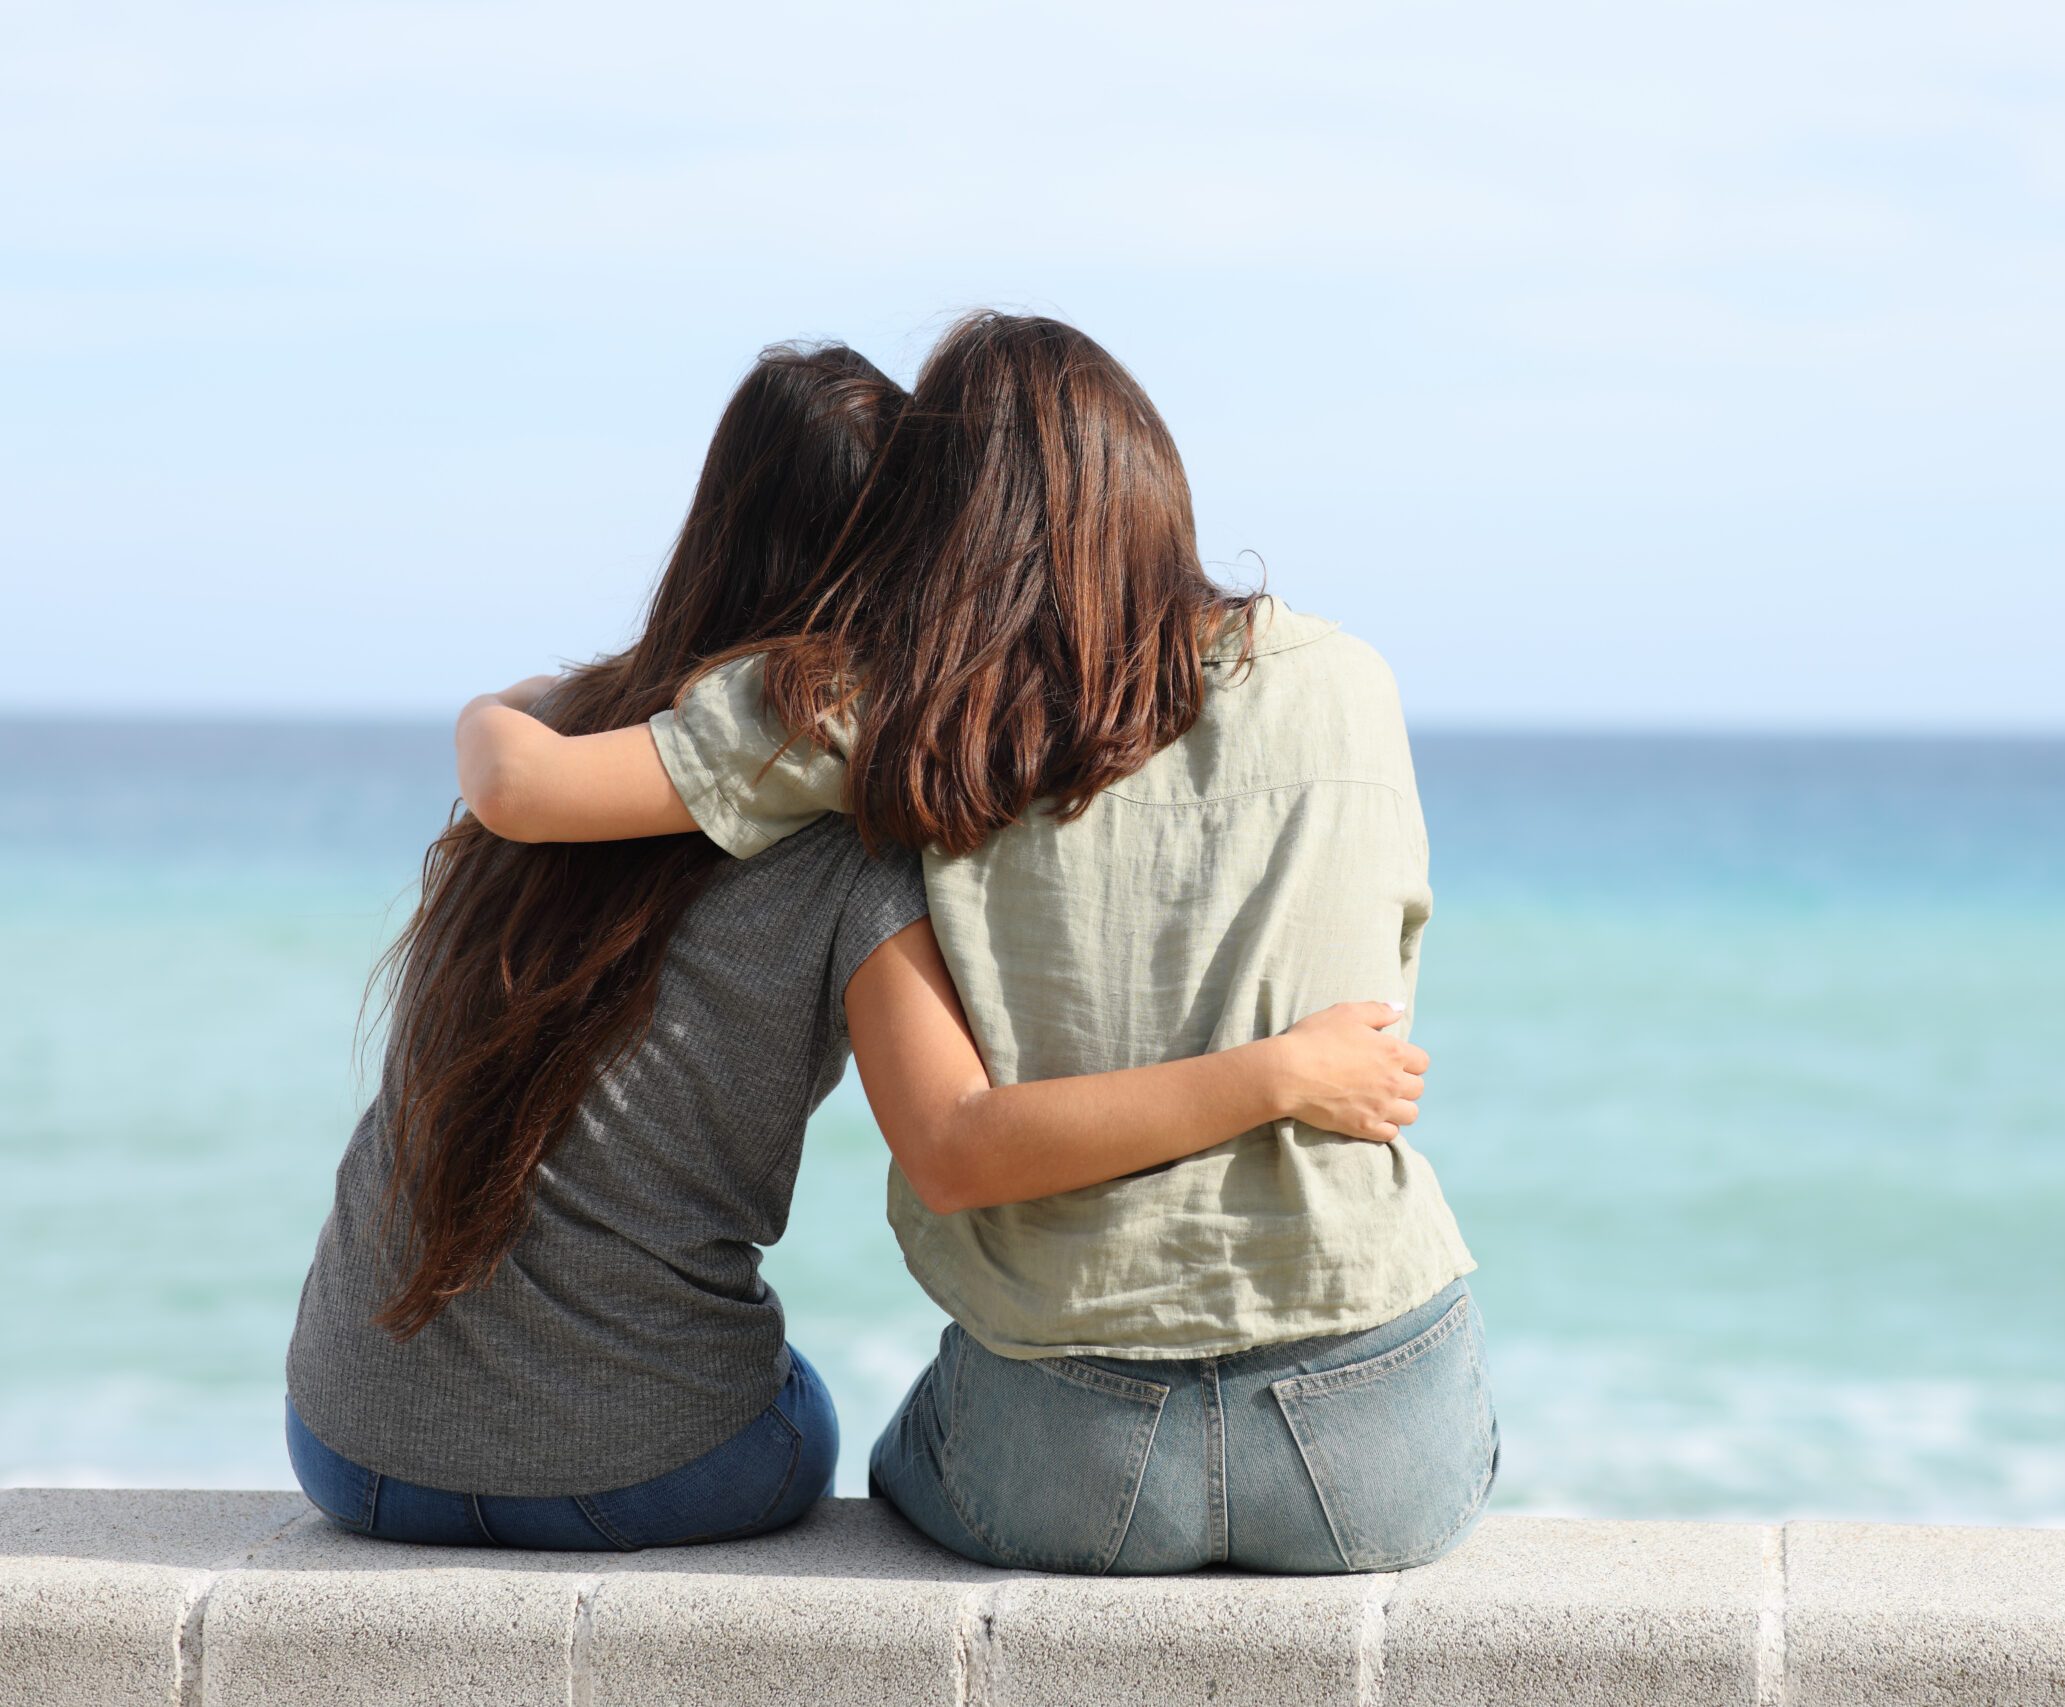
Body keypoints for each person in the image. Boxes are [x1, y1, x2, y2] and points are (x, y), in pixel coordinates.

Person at [286, 342, 1430, 1551]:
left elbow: (522, 775)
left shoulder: (574, 736)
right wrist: (1279, 1073)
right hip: (629, 1474)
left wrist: (489, 709)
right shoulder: (862, 834)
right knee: (805, 1419)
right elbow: (954, 1141)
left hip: (346, 1447)